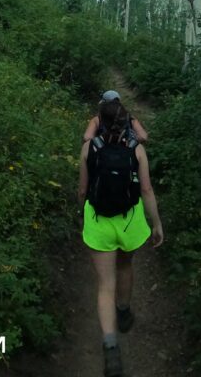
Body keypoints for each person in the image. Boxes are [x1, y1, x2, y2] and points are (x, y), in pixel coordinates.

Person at [78, 94, 164, 377]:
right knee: (125, 265)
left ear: (100, 121)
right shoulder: (136, 149)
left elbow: (83, 190)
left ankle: (111, 347)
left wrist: (84, 211)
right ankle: (124, 309)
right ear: (126, 120)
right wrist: (156, 223)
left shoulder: (90, 148)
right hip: (129, 221)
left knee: (105, 285)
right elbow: (147, 190)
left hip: (99, 220)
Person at [83, 89, 150, 144]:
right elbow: (143, 137)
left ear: (104, 104)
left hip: (103, 156)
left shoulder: (97, 119)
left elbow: (87, 137)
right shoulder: (130, 118)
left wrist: (100, 143)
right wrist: (129, 143)